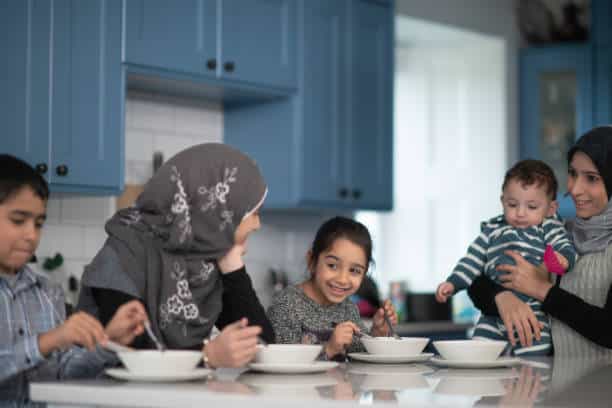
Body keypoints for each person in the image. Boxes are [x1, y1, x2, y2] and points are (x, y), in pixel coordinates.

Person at [77, 143, 274, 368]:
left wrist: (233, 268)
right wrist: (208, 356)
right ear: (220, 210)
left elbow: (262, 344)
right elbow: (131, 352)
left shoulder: (207, 259)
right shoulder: (126, 250)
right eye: (254, 213)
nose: (257, 225)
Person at [0, 155, 147, 386]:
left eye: (38, 223)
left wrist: (107, 342)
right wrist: (45, 342)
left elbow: (64, 372)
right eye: (18, 220)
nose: (31, 235)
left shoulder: (48, 293)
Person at [468, 126, 612, 358]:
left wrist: (541, 289)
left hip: (602, 391)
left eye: (592, 178)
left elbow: (608, 330)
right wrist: (501, 297)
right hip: (550, 386)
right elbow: (479, 281)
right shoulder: (556, 231)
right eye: (572, 173)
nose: (574, 189)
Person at [436, 159, 578, 356]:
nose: (520, 213)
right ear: (503, 201)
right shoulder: (492, 230)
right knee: (478, 356)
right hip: (492, 316)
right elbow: (472, 261)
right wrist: (453, 283)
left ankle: (532, 385)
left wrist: (563, 259)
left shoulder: (548, 226)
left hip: (531, 314)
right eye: (512, 204)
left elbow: (564, 247)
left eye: (532, 207)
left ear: (551, 208)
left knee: (533, 363)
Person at [267, 216, 397, 361]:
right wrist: (329, 349)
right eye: (332, 265)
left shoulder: (348, 308)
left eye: (354, 270)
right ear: (312, 261)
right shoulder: (286, 305)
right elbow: (283, 364)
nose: (342, 279)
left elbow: (359, 357)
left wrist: (376, 333)